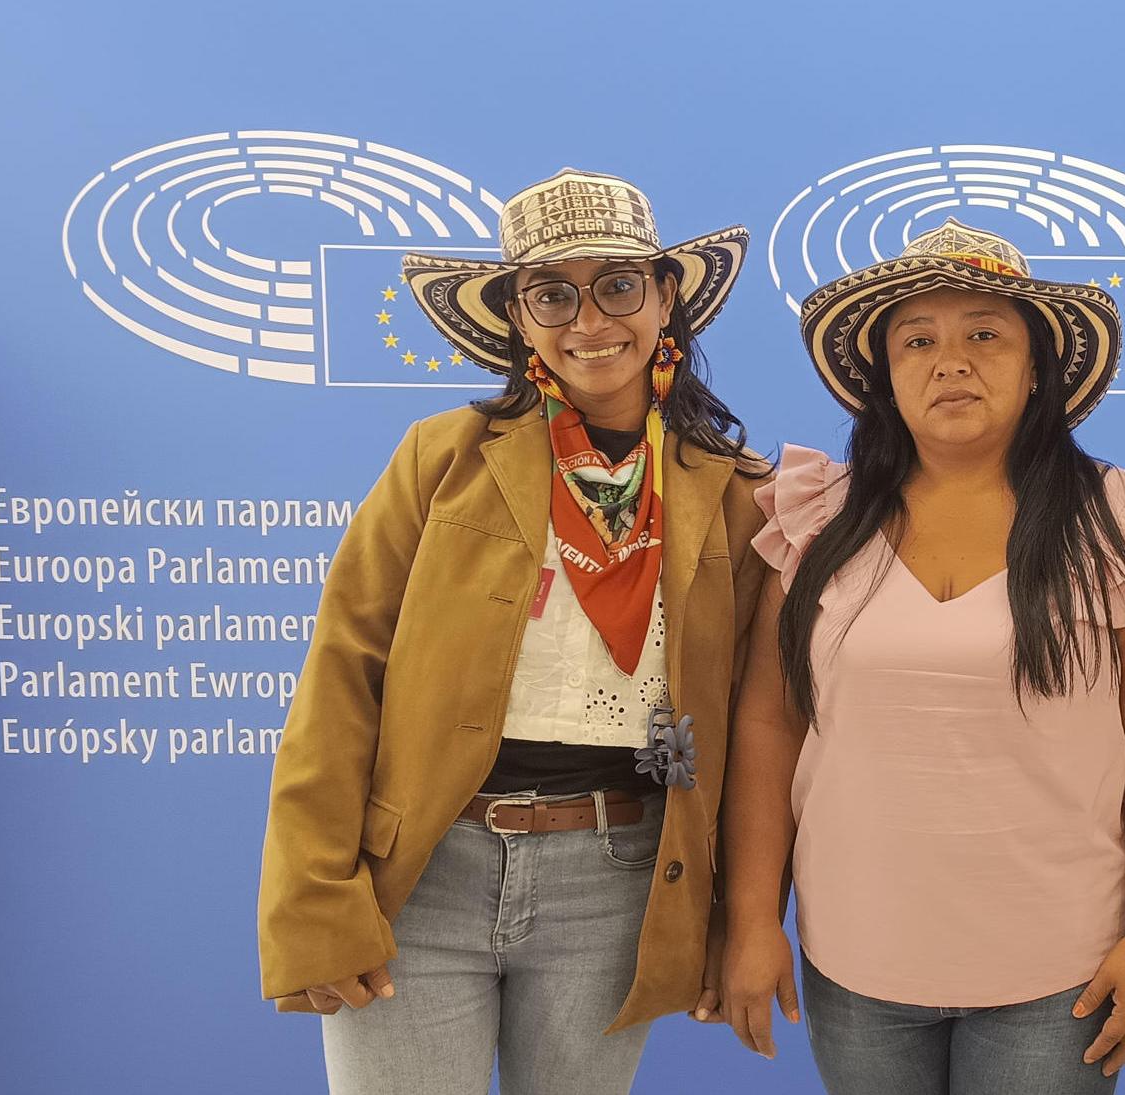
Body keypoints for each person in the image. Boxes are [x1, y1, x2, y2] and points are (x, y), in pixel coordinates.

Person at [256, 168, 771, 1094]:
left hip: (615, 880)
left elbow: (755, 723)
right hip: (420, 873)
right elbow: (342, 675)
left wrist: (732, 913)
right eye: (551, 293)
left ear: (665, 300)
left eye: (617, 284)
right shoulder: (439, 457)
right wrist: (314, 899)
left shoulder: (734, 487)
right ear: (518, 318)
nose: (589, 320)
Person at [718, 219, 1125, 1094]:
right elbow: (767, 723)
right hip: (857, 958)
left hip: (1059, 967)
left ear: (1035, 369)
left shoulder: (1124, 526)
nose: (951, 360)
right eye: (918, 340)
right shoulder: (815, 523)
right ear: (883, 379)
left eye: (984, 332)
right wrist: (754, 918)